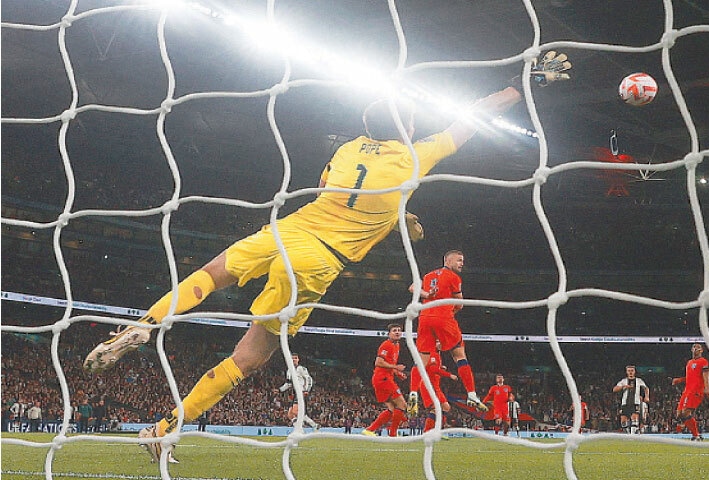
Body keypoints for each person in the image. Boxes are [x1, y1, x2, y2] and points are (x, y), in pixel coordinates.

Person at [81, 52, 570, 462]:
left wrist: (402, 212)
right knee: (248, 357)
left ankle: (147, 321)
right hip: (316, 262)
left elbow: (348, 192)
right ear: (406, 127)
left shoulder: (348, 150)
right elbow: (472, 117)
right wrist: (517, 86)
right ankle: (165, 427)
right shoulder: (414, 157)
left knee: (210, 275)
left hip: (288, 228)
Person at [408, 250, 488, 413]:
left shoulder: (429, 275)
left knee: (421, 360)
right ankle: (471, 394)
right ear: (448, 260)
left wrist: (426, 294)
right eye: (459, 260)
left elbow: (412, 287)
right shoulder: (454, 278)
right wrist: (452, 311)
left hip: (424, 317)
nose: (462, 263)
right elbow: (459, 304)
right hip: (443, 317)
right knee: (459, 355)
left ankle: (413, 393)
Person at [362, 323, 408, 437]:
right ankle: (393, 434)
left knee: (393, 409)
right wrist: (395, 367)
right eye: (394, 330)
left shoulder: (397, 345)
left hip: (384, 378)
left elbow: (389, 364)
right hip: (382, 379)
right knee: (402, 405)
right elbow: (378, 362)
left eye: (399, 330)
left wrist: (397, 373)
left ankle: (369, 430)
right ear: (389, 334)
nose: (397, 332)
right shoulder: (386, 345)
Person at [414, 339, 459, 433]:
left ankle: (439, 430)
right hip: (428, 386)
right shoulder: (432, 353)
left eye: (440, 342)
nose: (440, 344)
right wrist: (449, 374)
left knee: (446, 407)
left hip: (436, 387)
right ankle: (427, 432)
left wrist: (441, 368)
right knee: (435, 409)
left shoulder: (437, 355)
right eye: (437, 342)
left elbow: (431, 369)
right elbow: (433, 369)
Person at [672, 343, 709, 441]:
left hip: (696, 390)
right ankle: (696, 435)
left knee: (685, 412)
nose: (696, 349)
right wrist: (680, 380)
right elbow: (690, 378)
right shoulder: (689, 362)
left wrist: (707, 390)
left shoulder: (703, 361)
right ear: (691, 350)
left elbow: (706, 375)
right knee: (679, 414)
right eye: (694, 347)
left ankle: (696, 435)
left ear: (702, 350)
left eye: (698, 347)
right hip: (687, 390)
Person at [278, 352, 319, 430]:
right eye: (292, 358)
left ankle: (303, 428)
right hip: (295, 393)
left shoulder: (301, 369)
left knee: (295, 411)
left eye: (295, 358)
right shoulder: (289, 371)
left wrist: (306, 390)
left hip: (301, 392)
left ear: (298, 360)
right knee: (290, 414)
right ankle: (313, 425)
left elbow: (309, 379)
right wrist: (279, 390)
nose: (294, 360)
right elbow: (288, 384)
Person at [612, 365, 649, 434]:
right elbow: (614, 389)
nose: (630, 372)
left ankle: (633, 435)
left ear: (634, 372)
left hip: (635, 402)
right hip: (625, 403)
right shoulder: (623, 381)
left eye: (632, 371)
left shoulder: (639, 380)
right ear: (626, 372)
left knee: (634, 418)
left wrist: (647, 396)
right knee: (623, 421)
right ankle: (628, 435)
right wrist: (623, 386)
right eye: (629, 371)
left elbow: (646, 388)